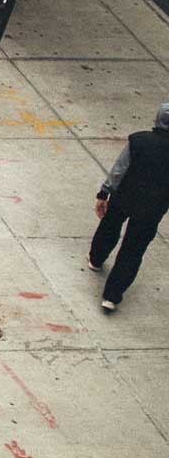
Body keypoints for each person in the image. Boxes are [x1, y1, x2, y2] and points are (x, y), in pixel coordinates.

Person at [91, 102, 169, 312]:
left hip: (124, 197)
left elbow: (119, 170)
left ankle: (96, 258)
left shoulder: (138, 140)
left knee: (109, 227)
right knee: (133, 250)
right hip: (152, 209)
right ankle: (111, 296)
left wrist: (104, 193)